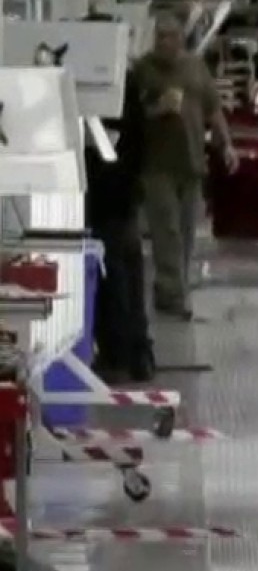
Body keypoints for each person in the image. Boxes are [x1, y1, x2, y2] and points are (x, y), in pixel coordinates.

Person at [130, 13, 236, 320]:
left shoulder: (195, 68)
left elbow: (213, 109)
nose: (164, 42)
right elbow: (131, 117)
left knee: (187, 233)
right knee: (168, 232)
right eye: (159, 36)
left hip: (191, 164)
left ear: (180, 39)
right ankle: (172, 293)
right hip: (156, 166)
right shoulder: (142, 70)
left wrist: (226, 144)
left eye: (170, 36)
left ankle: (174, 288)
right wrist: (157, 109)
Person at [88, 73, 155, 383]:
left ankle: (118, 355)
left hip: (103, 201)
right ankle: (139, 353)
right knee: (130, 276)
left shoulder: (94, 94)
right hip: (125, 200)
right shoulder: (129, 89)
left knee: (112, 278)